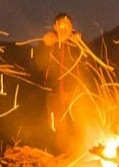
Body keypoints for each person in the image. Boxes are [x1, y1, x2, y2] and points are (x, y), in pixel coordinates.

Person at [38, 12, 100, 155]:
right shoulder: (49, 43)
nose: (65, 28)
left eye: (68, 25)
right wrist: (44, 45)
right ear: (55, 26)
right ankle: (66, 155)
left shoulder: (77, 43)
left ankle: (84, 153)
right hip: (54, 93)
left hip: (76, 93)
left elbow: (90, 59)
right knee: (60, 128)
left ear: (72, 27)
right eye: (61, 25)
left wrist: (81, 42)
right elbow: (38, 63)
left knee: (82, 123)